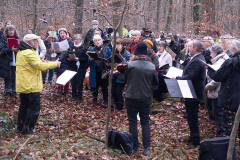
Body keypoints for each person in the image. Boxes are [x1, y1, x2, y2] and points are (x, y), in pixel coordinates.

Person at [16, 34, 61, 135]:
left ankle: (21, 127)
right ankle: (27, 131)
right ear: (29, 43)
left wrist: (42, 61)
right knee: (33, 109)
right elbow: (39, 66)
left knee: (24, 107)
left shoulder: (21, 52)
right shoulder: (29, 53)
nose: (38, 43)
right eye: (35, 41)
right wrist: (55, 64)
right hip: (30, 85)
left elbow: (33, 64)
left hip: (24, 84)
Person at [125, 42, 158, 155]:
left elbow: (124, 79)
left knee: (133, 122)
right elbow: (156, 83)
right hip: (145, 97)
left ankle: (135, 147)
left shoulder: (130, 65)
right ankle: (147, 148)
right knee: (145, 122)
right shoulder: (152, 66)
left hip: (131, 96)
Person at [173, 40, 206, 147]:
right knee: (191, 115)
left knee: (192, 117)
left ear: (195, 48)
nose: (188, 48)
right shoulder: (197, 59)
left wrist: (177, 78)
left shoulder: (197, 60)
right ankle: (193, 136)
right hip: (191, 92)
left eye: (190, 46)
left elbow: (191, 76)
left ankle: (195, 140)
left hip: (193, 92)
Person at [207, 40, 240, 137]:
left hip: (230, 98)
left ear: (234, 49)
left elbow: (217, 76)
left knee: (229, 125)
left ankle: (230, 148)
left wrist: (209, 69)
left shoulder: (230, 62)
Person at [205, 44, 229, 136]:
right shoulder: (220, 60)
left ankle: (221, 135)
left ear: (215, 53)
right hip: (218, 92)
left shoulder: (220, 62)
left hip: (217, 92)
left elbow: (217, 80)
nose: (210, 55)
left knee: (219, 115)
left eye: (211, 53)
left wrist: (207, 87)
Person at [89, 35, 112, 107]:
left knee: (104, 86)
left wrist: (109, 63)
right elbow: (88, 62)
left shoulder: (107, 49)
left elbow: (111, 59)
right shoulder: (92, 49)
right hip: (95, 69)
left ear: (101, 40)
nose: (97, 42)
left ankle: (105, 100)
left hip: (104, 69)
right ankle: (94, 99)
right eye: (96, 40)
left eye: (99, 40)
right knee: (94, 85)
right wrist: (90, 59)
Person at [68, 34, 88, 103]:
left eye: (78, 39)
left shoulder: (84, 48)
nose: (76, 41)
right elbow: (67, 55)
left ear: (80, 40)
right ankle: (74, 95)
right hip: (72, 66)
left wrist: (78, 59)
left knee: (80, 82)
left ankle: (79, 96)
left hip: (81, 67)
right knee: (73, 82)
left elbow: (86, 58)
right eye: (75, 39)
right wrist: (69, 58)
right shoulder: (71, 47)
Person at [112, 38, 131, 111]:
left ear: (122, 45)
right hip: (114, 74)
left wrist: (120, 64)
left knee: (118, 92)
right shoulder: (114, 52)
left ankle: (121, 106)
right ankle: (116, 105)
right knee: (113, 92)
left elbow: (128, 64)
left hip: (121, 75)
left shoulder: (127, 54)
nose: (117, 46)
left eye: (118, 44)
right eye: (116, 44)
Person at [0, 25, 19, 98]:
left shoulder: (18, 38)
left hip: (17, 60)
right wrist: (10, 49)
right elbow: (1, 49)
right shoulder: (3, 39)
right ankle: (7, 91)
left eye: (12, 30)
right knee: (7, 76)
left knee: (15, 76)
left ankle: (14, 90)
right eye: (9, 30)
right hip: (7, 60)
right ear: (7, 31)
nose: (11, 32)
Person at [55, 28, 74, 96]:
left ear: (66, 33)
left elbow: (72, 50)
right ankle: (59, 89)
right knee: (59, 75)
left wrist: (68, 51)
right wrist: (55, 51)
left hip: (67, 60)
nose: (62, 34)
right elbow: (54, 53)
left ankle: (66, 90)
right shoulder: (57, 41)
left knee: (66, 75)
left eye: (63, 33)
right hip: (59, 60)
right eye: (61, 33)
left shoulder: (70, 41)